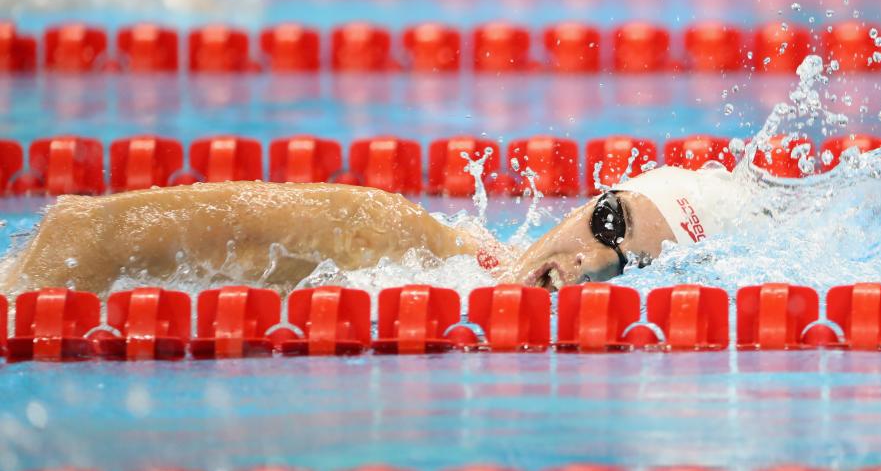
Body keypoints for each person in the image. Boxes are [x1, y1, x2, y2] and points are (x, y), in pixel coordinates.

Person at [0, 165, 736, 295]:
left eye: (628, 267)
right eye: (610, 223)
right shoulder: (387, 236)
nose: (587, 264)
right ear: (588, 200)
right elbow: (82, 235)